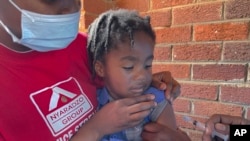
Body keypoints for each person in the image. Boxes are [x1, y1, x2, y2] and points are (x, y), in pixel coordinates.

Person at [0, 0, 181, 141]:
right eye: (50, 0)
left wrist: (148, 81)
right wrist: (96, 128)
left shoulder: (87, 48)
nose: (72, 10)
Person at [85, 9, 191, 141]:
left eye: (147, 65)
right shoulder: (91, 103)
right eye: (129, 67)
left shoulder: (155, 100)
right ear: (101, 69)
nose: (142, 76)